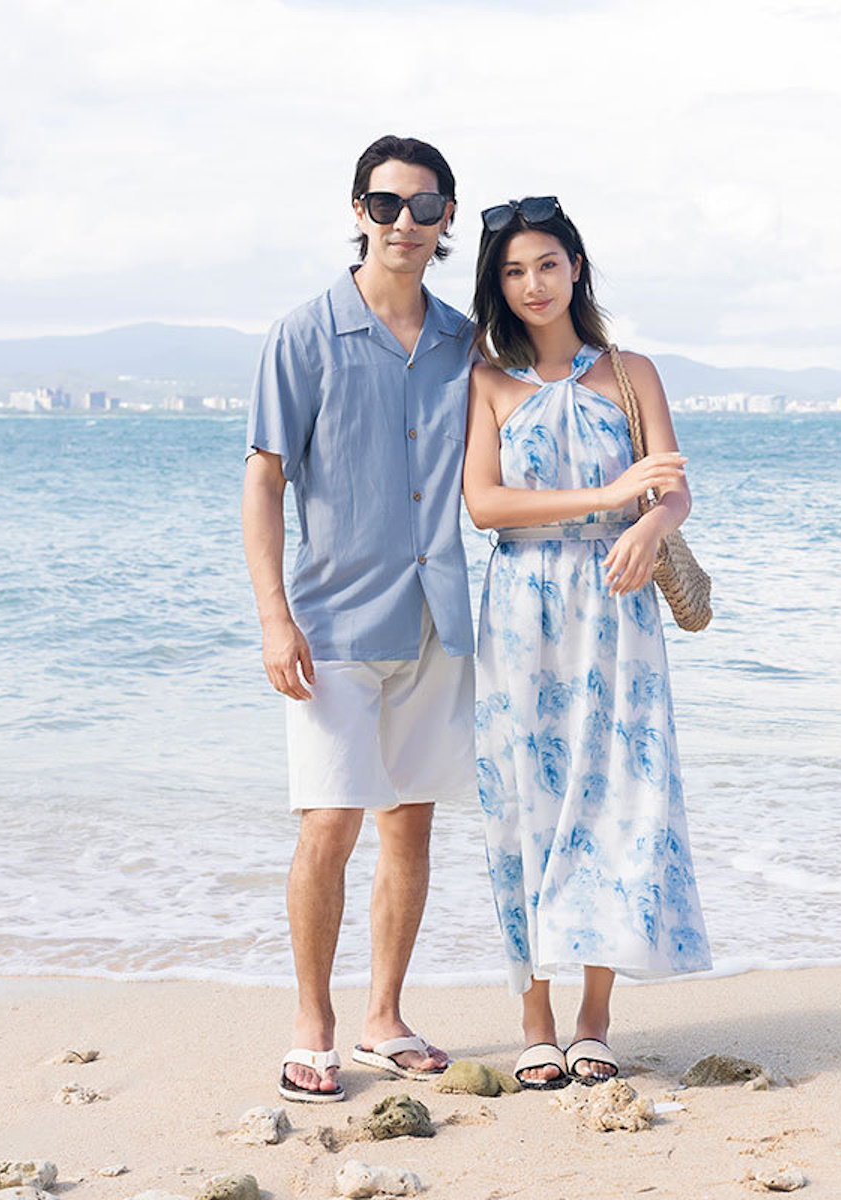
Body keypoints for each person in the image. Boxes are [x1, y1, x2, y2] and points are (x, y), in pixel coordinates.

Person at [242, 135, 475, 1103]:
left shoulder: (466, 341)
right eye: (387, 206)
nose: (405, 226)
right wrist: (272, 616)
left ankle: (382, 1017)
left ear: (447, 221)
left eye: (425, 209)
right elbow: (264, 478)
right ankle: (313, 1023)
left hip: (436, 624)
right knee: (328, 826)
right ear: (357, 211)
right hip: (332, 625)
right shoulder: (304, 336)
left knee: (409, 829)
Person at [462, 196, 712, 1090]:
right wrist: (610, 506)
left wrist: (650, 528)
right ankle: (533, 1019)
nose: (533, 284)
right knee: (523, 804)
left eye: (548, 264)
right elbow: (484, 506)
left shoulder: (631, 371)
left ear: (576, 268)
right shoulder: (487, 383)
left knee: (618, 798)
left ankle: (594, 1017)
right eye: (514, 270)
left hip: (619, 607)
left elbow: (673, 488)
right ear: (498, 283)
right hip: (521, 607)